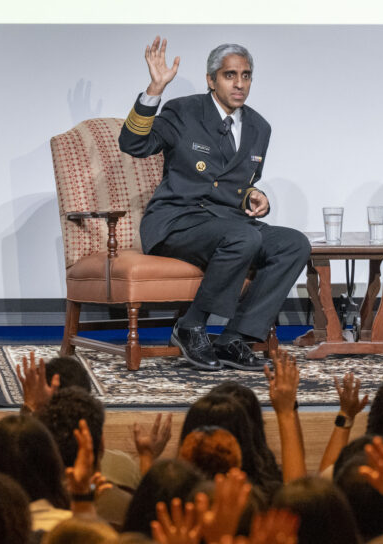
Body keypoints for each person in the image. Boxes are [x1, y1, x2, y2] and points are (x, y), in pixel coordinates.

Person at [119, 38, 311, 371]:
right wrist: (155, 88)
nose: (240, 84)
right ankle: (190, 326)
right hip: (178, 222)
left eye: (247, 76)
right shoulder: (184, 111)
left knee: (294, 243)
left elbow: (240, 180)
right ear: (211, 79)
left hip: (228, 225)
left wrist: (253, 194)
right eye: (230, 75)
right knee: (243, 237)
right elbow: (134, 143)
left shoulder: (258, 127)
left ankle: (234, 338)